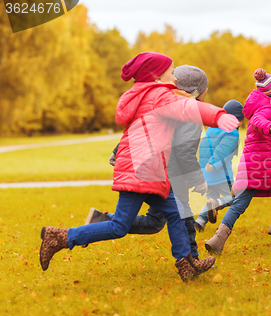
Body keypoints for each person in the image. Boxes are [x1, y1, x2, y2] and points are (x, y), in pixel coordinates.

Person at [39, 52, 239, 281]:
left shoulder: (148, 96)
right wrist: (219, 116)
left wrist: (118, 152)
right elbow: (190, 111)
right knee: (122, 226)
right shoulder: (164, 98)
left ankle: (187, 264)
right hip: (144, 171)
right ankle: (61, 237)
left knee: (171, 215)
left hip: (150, 171)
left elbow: (142, 127)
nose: (174, 77)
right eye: (171, 72)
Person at [85, 65, 211, 260]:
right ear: (197, 92)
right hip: (169, 175)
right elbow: (184, 152)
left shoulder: (161, 102)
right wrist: (198, 181)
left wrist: (117, 153)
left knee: (154, 222)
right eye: (205, 90)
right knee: (183, 215)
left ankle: (100, 221)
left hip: (156, 170)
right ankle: (191, 260)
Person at [204, 68, 271, 255]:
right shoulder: (267, 111)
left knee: (239, 203)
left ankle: (217, 240)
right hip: (263, 163)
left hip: (252, 164)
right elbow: (259, 123)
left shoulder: (264, 110)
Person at [195, 99, 244, 232]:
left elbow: (204, 148)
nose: (241, 123)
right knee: (236, 197)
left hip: (206, 175)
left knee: (211, 198)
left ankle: (199, 222)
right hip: (220, 173)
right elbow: (222, 150)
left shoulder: (211, 128)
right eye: (240, 119)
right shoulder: (231, 131)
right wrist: (213, 164)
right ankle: (217, 204)